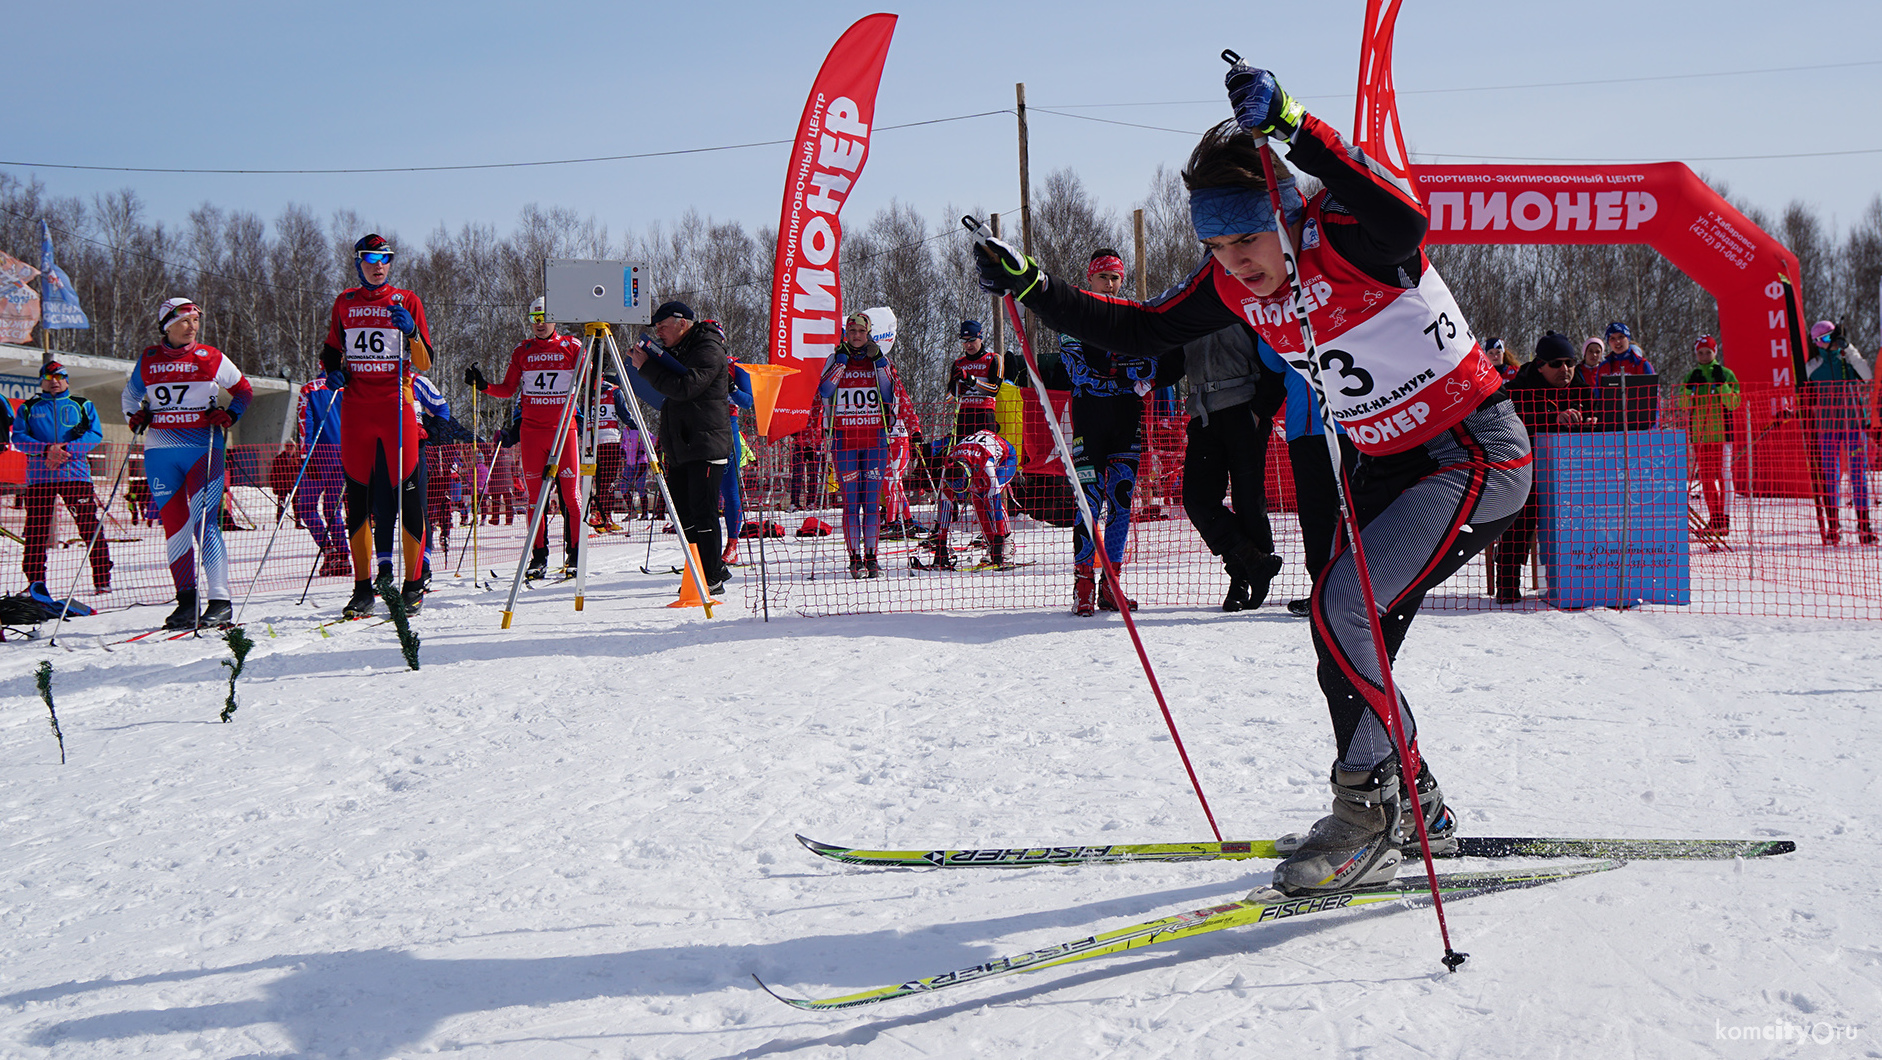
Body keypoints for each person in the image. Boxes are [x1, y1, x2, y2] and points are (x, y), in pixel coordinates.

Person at [974, 65, 1531, 896]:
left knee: (1342, 608)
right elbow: (1143, 328)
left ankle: (1369, 811)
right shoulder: (1230, 286)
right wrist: (1035, 289)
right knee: (1344, 644)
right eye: (1218, 248)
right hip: (1383, 469)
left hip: (1471, 453)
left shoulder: (1351, 237)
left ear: (1286, 216)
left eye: (1247, 241)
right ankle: (1412, 799)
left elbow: (1406, 213)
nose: (1236, 264)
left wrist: (1296, 125)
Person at [319, 233, 433, 617]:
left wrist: (412, 332)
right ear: (358, 263)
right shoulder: (345, 302)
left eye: (385, 258)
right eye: (370, 258)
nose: (378, 265)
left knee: (407, 492)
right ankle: (362, 588)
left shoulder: (407, 300)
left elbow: (425, 362)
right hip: (356, 409)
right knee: (358, 499)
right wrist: (333, 371)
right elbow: (331, 350)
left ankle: (413, 583)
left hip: (394, 405)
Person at [123, 297, 253, 628]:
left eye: (195, 319)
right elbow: (129, 396)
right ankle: (186, 601)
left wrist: (230, 414)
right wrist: (134, 416)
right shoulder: (150, 359)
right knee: (175, 527)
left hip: (202, 449)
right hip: (160, 452)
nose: (192, 326)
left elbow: (243, 390)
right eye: (184, 320)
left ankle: (220, 600)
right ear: (167, 325)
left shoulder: (211, 357)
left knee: (205, 523)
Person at [1060, 247, 1165, 616]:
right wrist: (1123, 372)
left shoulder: (1131, 316)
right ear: (1090, 278)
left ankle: (1112, 586)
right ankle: (1084, 583)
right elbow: (1077, 372)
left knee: (1121, 503)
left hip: (1125, 422)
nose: (1110, 284)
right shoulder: (1075, 316)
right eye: (1103, 277)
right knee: (1089, 504)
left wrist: (1117, 373)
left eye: (1115, 278)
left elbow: (1150, 368)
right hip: (1088, 422)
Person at [467, 296, 585, 579]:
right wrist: (483, 386)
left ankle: (576, 555)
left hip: (563, 430)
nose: (540, 323)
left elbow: (589, 377)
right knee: (535, 498)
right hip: (532, 433)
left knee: (571, 496)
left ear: (555, 317)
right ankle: (539, 557)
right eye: (535, 319)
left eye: (544, 317)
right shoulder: (523, 351)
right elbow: (508, 389)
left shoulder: (571, 346)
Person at [1170, 323, 1285, 611]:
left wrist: (1261, 410)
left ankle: (1243, 581)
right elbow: (1171, 363)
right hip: (1203, 414)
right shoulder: (1188, 309)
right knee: (1197, 499)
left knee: (1248, 499)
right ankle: (1255, 563)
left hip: (1245, 410)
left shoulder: (1243, 302)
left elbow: (1274, 356)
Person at [629, 300, 733, 591]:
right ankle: (705, 568)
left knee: (703, 513)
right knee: (682, 514)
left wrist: (648, 369)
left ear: (681, 323)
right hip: (681, 445)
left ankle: (710, 575)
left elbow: (687, 387)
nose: (659, 332)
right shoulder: (678, 350)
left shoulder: (708, 348)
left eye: (662, 326)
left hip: (706, 444)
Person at [1493, 332, 1600, 603]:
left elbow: (1600, 418)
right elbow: (1509, 423)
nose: (1565, 370)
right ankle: (1508, 583)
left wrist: (1593, 423)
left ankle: (1587, 579)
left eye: (1570, 362)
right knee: (1520, 519)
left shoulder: (1582, 389)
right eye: (1556, 364)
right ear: (1540, 365)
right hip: (1526, 472)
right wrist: (1553, 418)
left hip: (1572, 477)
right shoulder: (1519, 389)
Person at [12, 361, 113, 596]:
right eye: (49, 378)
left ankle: (102, 579)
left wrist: (65, 449)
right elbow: (19, 438)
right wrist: (47, 450)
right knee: (36, 531)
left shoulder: (82, 404)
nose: (54, 382)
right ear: (42, 381)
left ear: (67, 379)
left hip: (75, 476)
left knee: (88, 526)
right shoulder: (28, 407)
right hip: (40, 478)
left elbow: (94, 435)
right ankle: (36, 583)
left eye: (59, 377)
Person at [814, 310, 896, 578]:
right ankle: (854, 559)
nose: (857, 336)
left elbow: (887, 392)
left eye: (861, 332)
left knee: (871, 503)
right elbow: (824, 390)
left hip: (875, 440)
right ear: (846, 334)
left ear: (868, 333)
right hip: (844, 439)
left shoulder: (878, 361)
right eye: (852, 332)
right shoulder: (835, 358)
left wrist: (880, 361)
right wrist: (840, 363)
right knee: (851, 503)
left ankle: (871, 557)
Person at [1805, 320, 1874, 545]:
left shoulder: (1847, 358)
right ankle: (1833, 526)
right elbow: (1802, 384)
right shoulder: (1814, 365)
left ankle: (1864, 526)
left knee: (1858, 474)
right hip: (1828, 428)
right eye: (1823, 340)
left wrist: (1849, 349)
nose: (1829, 343)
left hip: (1853, 424)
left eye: (1831, 337)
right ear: (1816, 343)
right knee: (1831, 476)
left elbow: (1867, 376)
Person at [928, 429, 1018, 570]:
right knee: (977, 501)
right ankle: (991, 545)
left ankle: (1006, 545)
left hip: (1005, 457)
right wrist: (941, 544)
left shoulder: (986, 467)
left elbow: (995, 503)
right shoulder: (948, 471)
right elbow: (945, 506)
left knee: (988, 498)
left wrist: (999, 539)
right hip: (971, 456)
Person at [1678, 334, 1741, 535]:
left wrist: (1722, 385)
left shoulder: (1726, 373)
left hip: (1722, 435)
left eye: (1708, 352)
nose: (1704, 356)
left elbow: (1733, 403)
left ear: (1715, 352)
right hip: (1700, 435)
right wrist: (1688, 390)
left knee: (1724, 477)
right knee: (1706, 478)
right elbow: (1683, 404)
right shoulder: (1692, 375)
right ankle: (1714, 517)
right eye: (1701, 353)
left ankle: (1725, 518)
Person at [294, 371, 349, 576]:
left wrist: (304, 454)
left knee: (306, 507)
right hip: (345, 453)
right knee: (333, 508)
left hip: (319, 453)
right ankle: (343, 556)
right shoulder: (350, 387)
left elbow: (304, 423)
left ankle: (330, 551)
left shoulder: (311, 388)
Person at [720, 341, 754, 562]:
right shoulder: (695, 363)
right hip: (698, 429)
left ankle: (732, 545)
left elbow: (748, 401)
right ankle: (700, 549)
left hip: (727, 428)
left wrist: (732, 387)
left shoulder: (735, 365)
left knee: (730, 490)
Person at [588, 376, 633, 532]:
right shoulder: (615, 391)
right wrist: (638, 426)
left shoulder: (589, 392)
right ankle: (600, 517)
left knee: (598, 480)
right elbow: (625, 416)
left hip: (592, 442)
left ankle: (605, 517)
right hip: (610, 440)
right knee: (609, 481)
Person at [948, 320, 1002, 442]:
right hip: (964, 416)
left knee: (984, 454)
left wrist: (971, 380)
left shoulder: (993, 359)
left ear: (980, 338)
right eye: (964, 341)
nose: (968, 345)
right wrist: (956, 391)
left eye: (972, 340)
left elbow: (994, 390)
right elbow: (948, 398)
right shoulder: (958, 363)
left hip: (985, 414)